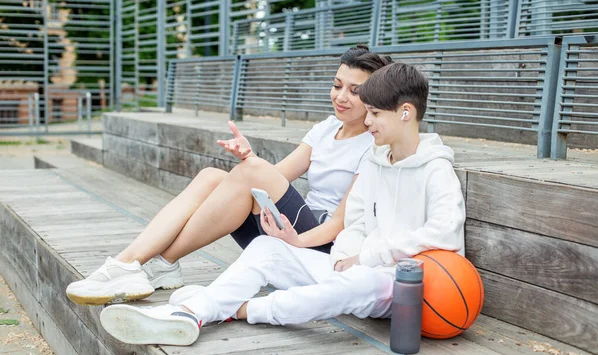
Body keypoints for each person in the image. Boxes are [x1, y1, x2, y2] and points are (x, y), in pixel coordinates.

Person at [98, 62, 467, 346]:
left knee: (344, 290)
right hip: (349, 264)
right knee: (265, 248)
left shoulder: (435, 169)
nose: (367, 119)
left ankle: (238, 309)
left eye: (374, 112)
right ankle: (188, 314)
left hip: (399, 281)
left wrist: (367, 258)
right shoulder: (375, 160)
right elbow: (354, 222)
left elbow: (444, 233)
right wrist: (343, 256)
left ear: (404, 113)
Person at [66, 45, 393, 306]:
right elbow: (277, 177)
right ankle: (136, 263)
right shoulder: (326, 129)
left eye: (354, 90)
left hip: (319, 246)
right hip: (290, 230)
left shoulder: (374, 144)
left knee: (247, 173)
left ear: (375, 97)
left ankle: (149, 264)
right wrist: (250, 161)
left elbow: (340, 223)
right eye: (337, 85)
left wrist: (294, 238)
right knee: (211, 176)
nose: (340, 97)